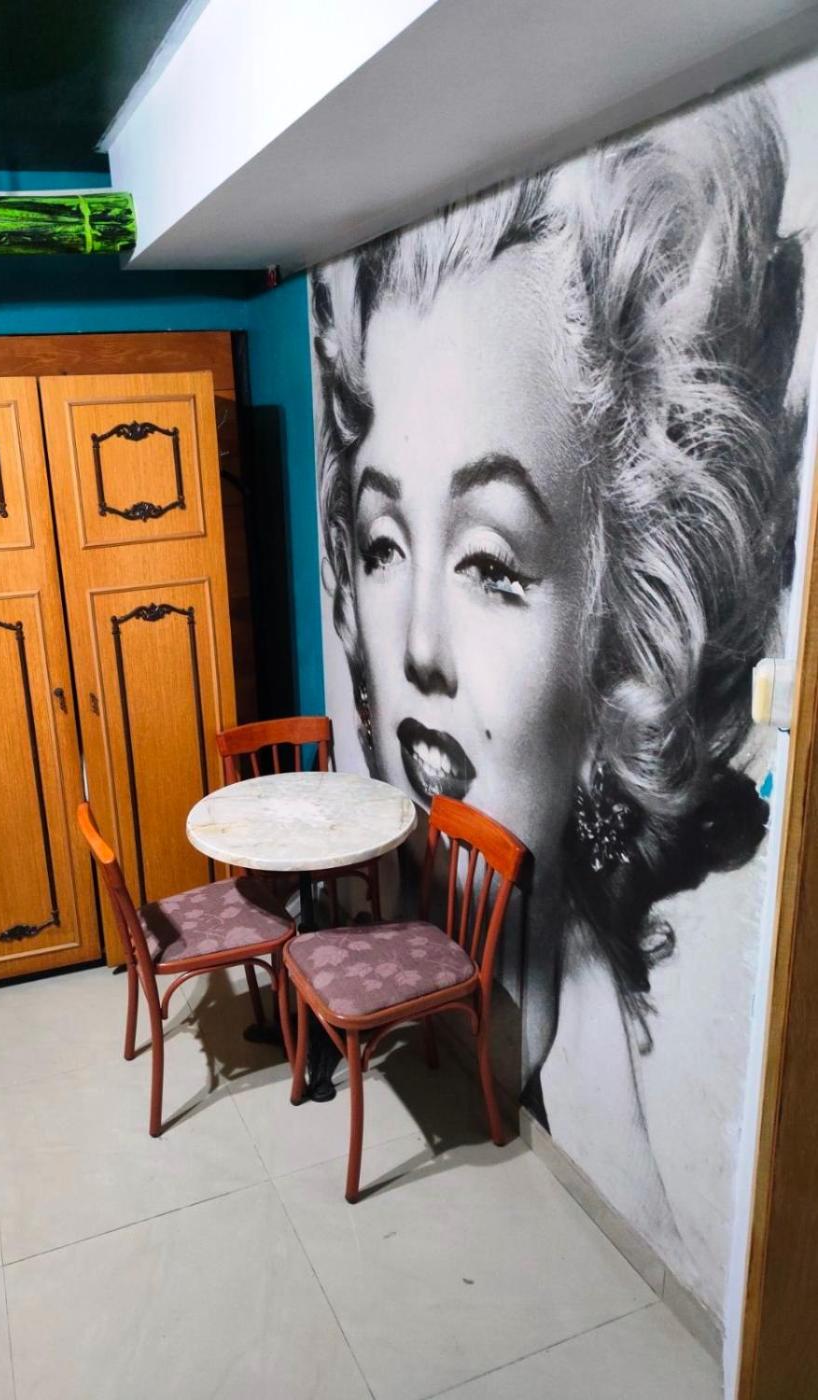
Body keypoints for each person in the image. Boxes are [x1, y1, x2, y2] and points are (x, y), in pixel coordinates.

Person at [311, 86, 804, 1233]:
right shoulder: (414, 904)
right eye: (385, 543)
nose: (417, 647)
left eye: (489, 562)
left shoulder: (647, 1173)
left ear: (624, 631)